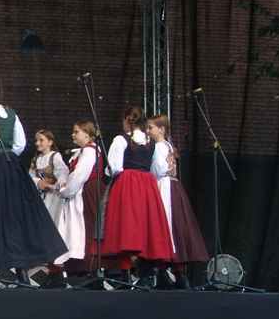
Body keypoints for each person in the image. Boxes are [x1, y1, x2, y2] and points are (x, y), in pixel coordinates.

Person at [0, 75, 67, 285]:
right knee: (13, 216)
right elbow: (19, 144)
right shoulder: (10, 113)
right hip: (9, 164)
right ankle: (21, 272)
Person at [99, 105, 174, 285]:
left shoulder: (121, 139)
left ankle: (126, 277)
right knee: (146, 228)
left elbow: (114, 168)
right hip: (147, 185)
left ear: (127, 119)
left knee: (124, 228)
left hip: (126, 184)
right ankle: (150, 270)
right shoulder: (152, 142)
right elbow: (160, 169)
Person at [147, 114, 209, 289]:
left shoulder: (159, 146)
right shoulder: (167, 145)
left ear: (162, 129)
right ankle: (175, 274)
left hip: (164, 187)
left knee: (164, 228)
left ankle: (167, 274)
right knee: (172, 228)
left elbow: (159, 169)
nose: (148, 131)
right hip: (172, 187)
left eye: (151, 128)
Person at [57, 121, 106, 281]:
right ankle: (88, 271)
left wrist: (66, 191)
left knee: (87, 228)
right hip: (83, 191)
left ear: (87, 133)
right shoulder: (83, 151)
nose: (73, 134)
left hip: (87, 192)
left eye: (76, 131)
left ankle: (93, 270)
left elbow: (79, 175)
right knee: (84, 228)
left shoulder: (90, 152)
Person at [29, 129, 69, 232]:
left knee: (53, 222)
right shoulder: (37, 159)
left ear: (50, 142)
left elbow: (63, 174)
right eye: (36, 140)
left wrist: (54, 187)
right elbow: (30, 177)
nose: (37, 143)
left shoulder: (55, 156)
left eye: (41, 140)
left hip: (54, 197)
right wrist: (38, 182)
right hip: (41, 196)